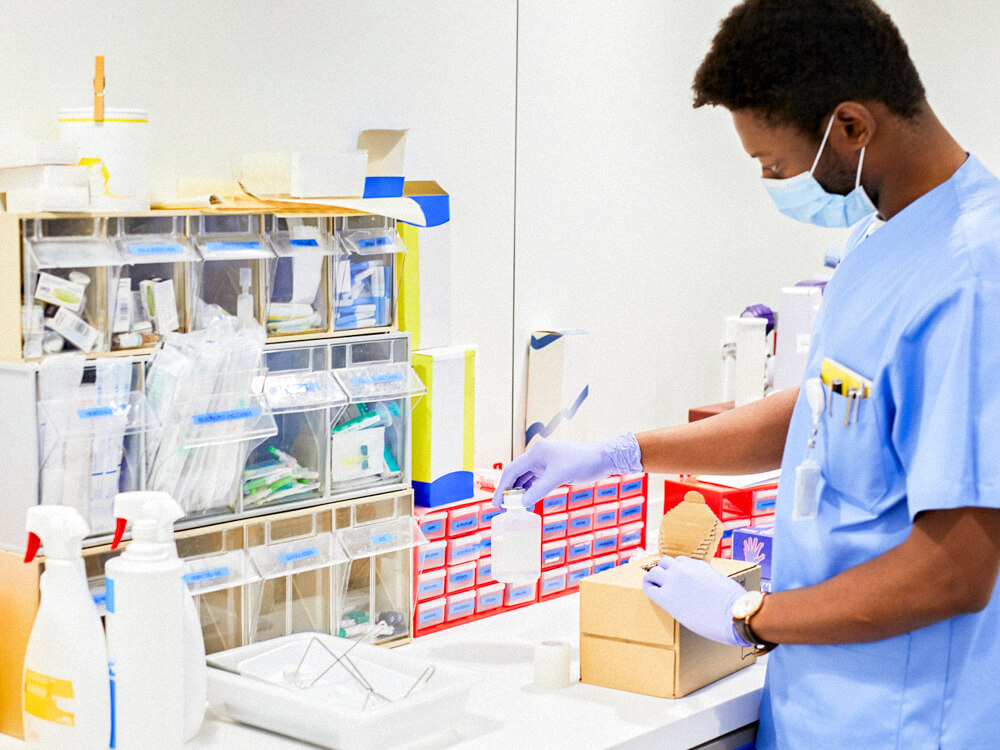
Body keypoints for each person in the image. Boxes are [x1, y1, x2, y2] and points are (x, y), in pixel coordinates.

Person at [492, 1, 1000, 746]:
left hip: (904, 718)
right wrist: (622, 454)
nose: (771, 179)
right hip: (816, 704)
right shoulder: (878, 234)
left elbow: (957, 569)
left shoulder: (971, 279)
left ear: (852, 126)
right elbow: (827, 412)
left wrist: (747, 616)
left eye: (775, 164)